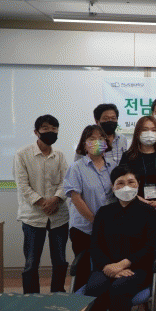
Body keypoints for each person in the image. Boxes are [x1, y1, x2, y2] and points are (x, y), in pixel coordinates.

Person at [85, 165, 156, 311]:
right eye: (120, 183)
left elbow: (149, 247)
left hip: (137, 269)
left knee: (119, 288)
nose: (126, 187)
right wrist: (108, 266)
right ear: (113, 187)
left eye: (131, 182)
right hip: (106, 267)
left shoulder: (149, 212)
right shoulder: (103, 212)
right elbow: (95, 245)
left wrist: (122, 265)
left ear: (138, 184)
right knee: (94, 288)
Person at [13, 114, 69, 294]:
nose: (50, 132)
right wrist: (44, 202)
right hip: (33, 217)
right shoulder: (22, 154)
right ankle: (31, 299)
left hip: (59, 216)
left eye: (54, 129)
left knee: (60, 261)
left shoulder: (60, 155)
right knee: (31, 263)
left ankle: (57, 296)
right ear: (36, 132)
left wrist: (56, 199)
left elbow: (66, 182)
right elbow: (22, 185)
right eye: (46, 128)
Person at [65, 125, 116, 291]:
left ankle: (102, 303)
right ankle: (81, 304)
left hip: (108, 229)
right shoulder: (76, 168)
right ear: (84, 144)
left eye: (101, 138)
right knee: (84, 269)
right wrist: (96, 221)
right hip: (84, 229)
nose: (97, 142)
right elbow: (76, 199)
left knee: (104, 269)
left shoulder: (113, 167)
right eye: (92, 139)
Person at [119, 116, 156, 237]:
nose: (149, 133)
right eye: (145, 129)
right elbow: (121, 183)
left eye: (153, 130)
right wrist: (141, 200)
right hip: (134, 206)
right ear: (138, 132)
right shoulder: (128, 156)